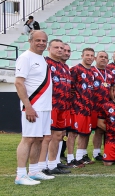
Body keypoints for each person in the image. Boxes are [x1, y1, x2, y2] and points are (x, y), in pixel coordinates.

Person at [14, 30, 54, 185]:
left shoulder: (42, 59)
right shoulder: (25, 58)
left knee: (39, 139)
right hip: (32, 107)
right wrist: (28, 106)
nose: (41, 43)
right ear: (30, 40)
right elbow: (19, 83)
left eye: (44, 41)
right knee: (28, 139)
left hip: (44, 108)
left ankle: (34, 170)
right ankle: (20, 175)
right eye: (38, 40)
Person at [44, 39, 71, 175]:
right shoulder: (45, 63)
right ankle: (45, 165)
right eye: (57, 48)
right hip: (51, 106)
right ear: (49, 49)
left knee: (59, 135)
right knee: (49, 136)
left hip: (63, 106)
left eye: (62, 48)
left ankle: (54, 163)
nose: (60, 50)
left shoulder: (64, 67)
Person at [67, 47, 95, 166]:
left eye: (91, 55)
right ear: (82, 56)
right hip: (77, 107)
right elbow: (68, 87)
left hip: (87, 108)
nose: (89, 57)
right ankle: (69, 158)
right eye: (87, 55)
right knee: (73, 133)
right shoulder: (75, 69)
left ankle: (79, 157)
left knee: (85, 133)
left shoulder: (92, 71)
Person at [90, 51, 110, 161]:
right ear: (95, 58)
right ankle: (89, 153)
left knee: (101, 130)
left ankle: (101, 152)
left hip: (106, 108)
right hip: (93, 107)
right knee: (88, 131)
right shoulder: (91, 71)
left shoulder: (110, 73)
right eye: (101, 57)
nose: (103, 59)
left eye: (105, 57)